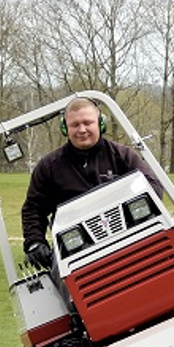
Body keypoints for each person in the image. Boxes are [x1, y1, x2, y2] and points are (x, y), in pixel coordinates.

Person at [21, 97, 163, 269]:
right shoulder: (48, 167)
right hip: (75, 253)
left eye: (88, 123)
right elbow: (33, 208)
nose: (82, 130)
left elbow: (153, 187)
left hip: (128, 240)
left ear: (100, 124)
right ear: (65, 128)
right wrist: (35, 242)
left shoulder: (123, 157)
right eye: (75, 125)